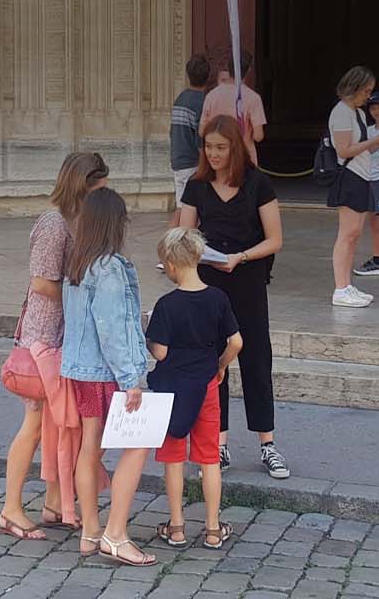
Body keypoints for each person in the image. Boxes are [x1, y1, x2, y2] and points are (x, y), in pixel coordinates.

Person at [0, 152, 111, 541]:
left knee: (59, 424)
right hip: (42, 340)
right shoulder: (53, 223)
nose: (103, 194)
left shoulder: (80, 222)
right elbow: (42, 283)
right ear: (83, 184)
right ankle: (11, 508)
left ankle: (52, 503)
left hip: (66, 337)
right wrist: (86, 294)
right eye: (99, 187)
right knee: (33, 424)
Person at [180, 117, 287, 479]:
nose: (213, 154)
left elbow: (274, 239)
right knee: (214, 363)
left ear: (235, 148)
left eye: (220, 148)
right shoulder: (196, 186)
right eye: (208, 147)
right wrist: (192, 252)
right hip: (209, 282)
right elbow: (183, 232)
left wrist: (240, 257)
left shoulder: (258, 183)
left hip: (248, 278)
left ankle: (267, 444)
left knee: (256, 358)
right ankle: (219, 444)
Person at [61, 187, 156, 567]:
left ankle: (90, 531)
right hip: (107, 373)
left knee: (90, 447)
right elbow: (112, 328)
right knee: (137, 445)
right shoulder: (109, 268)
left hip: (82, 370)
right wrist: (131, 378)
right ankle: (115, 535)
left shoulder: (78, 263)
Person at [148, 227, 243, 550]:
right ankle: (214, 529)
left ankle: (176, 527)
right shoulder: (217, 298)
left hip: (172, 389)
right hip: (206, 386)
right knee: (209, 458)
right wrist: (219, 365)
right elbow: (236, 342)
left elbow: (160, 352)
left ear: (171, 266)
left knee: (173, 458)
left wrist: (149, 335)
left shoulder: (166, 305)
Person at [326, 68, 379, 308]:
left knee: (355, 233)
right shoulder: (341, 113)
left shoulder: (355, 112)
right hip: (348, 176)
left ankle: (346, 285)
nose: (368, 96)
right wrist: (376, 141)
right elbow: (344, 150)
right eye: (366, 91)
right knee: (346, 234)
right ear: (354, 87)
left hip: (361, 175)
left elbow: (362, 148)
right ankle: (340, 287)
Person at [199, 49, 268, 166]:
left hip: (217, 158)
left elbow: (202, 131)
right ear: (248, 70)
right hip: (244, 158)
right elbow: (258, 136)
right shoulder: (253, 98)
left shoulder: (211, 96)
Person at [352, 92, 379, 281]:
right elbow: (361, 151)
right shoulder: (368, 131)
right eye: (373, 108)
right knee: (374, 223)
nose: (377, 111)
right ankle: (378, 260)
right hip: (368, 179)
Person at [167, 54, 211, 230]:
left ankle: (168, 244)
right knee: (190, 211)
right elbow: (200, 139)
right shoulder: (201, 102)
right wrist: (204, 167)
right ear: (208, 77)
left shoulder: (180, 99)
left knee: (180, 206)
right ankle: (177, 246)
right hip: (192, 163)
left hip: (178, 160)